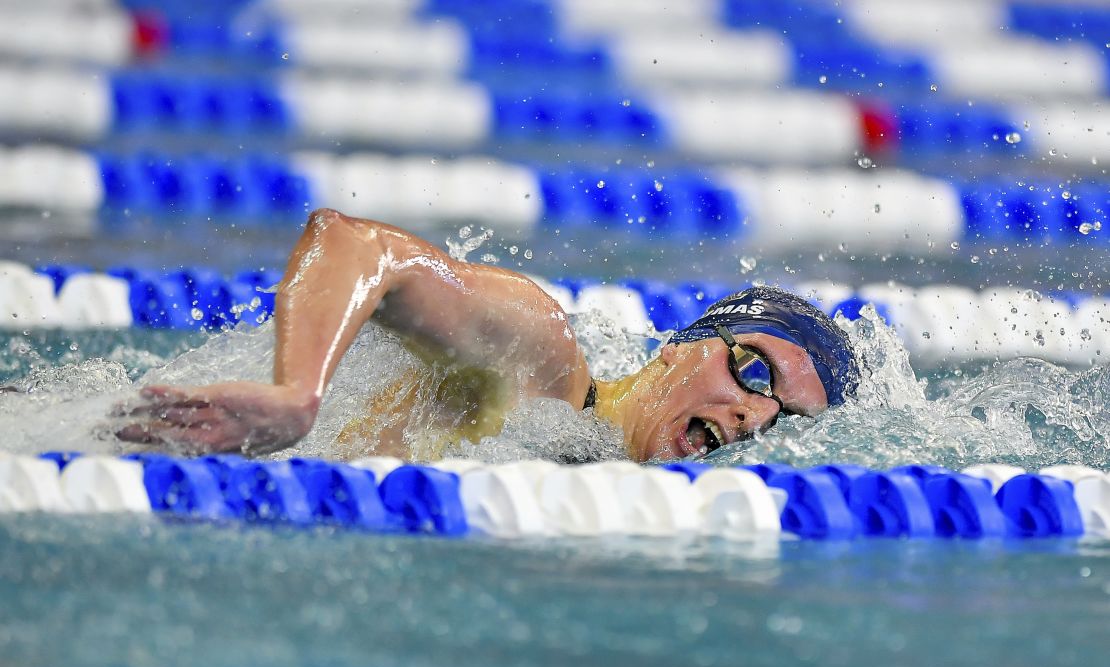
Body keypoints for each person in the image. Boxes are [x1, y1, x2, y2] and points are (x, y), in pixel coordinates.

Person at [117, 209, 859, 462]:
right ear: (681, 345)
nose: (753, 417)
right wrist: (295, 394)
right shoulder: (539, 364)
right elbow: (354, 245)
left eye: (783, 422)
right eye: (757, 377)